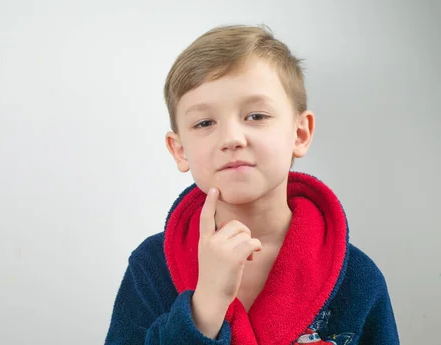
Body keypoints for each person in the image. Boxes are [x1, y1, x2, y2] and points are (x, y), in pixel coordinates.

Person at [104, 25, 400, 345]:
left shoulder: (358, 278)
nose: (231, 138)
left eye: (256, 116)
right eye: (204, 122)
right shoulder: (151, 266)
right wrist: (205, 307)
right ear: (179, 149)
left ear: (300, 133)